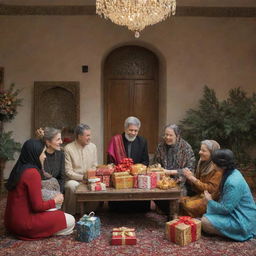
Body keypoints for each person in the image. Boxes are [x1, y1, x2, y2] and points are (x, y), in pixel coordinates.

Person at [4, 139, 75, 240]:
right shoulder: (32, 173)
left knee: (54, 210)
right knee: (71, 220)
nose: (45, 156)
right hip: (24, 224)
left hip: (11, 222)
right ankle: (46, 231)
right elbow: (37, 207)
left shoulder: (19, 168)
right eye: (42, 153)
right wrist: (55, 200)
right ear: (35, 154)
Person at [202, 149, 256, 241]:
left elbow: (226, 209)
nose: (212, 165)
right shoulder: (230, 172)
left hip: (243, 219)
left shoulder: (233, 182)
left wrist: (209, 201)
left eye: (214, 163)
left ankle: (238, 234)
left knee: (204, 222)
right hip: (235, 212)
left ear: (220, 165)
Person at [107, 116, 149, 212]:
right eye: (130, 130)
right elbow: (110, 162)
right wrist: (118, 169)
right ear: (125, 128)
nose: (133, 133)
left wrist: (136, 169)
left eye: (136, 131)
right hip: (120, 176)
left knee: (140, 209)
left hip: (136, 176)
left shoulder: (142, 141)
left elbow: (145, 161)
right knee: (117, 210)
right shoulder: (116, 140)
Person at [180, 140, 222, 217]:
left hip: (211, 199)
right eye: (200, 149)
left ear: (212, 154)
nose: (199, 152)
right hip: (200, 194)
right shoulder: (202, 163)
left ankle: (194, 224)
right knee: (180, 201)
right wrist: (189, 177)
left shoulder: (217, 169)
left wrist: (193, 178)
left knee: (188, 206)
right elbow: (197, 185)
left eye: (203, 151)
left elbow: (210, 189)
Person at [64, 123, 98, 215]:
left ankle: (89, 213)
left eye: (90, 135)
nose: (89, 138)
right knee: (71, 186)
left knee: (98, 185)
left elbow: (95, 165)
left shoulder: (93, 147)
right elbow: (68, 171)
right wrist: (83, 178)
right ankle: (71, 214)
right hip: (74, 179)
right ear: (79, 136)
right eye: (87, 135)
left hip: (90, 178)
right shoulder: (68, 148)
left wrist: (90, 177)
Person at [154, 124, 196, 195]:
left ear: (177, 136)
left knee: (178, 195)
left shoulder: (186, 148)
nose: (167, 137)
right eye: (166, 135)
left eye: (170, 135)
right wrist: (159, 167)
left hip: (181, 183)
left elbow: (190, 169)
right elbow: (156, 163)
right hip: (163, 181)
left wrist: (171, 172)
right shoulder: (161, 146)